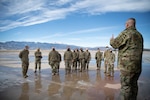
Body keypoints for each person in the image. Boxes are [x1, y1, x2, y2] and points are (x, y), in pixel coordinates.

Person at [110, 18, 143, 100]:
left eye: (125, 24)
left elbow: (115, 44)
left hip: (127, 66)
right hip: (137, 66)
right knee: (134, 85)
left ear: (127, 24)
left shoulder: (126, 33)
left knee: (126, 87)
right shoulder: (140, 35)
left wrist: (111, 40)